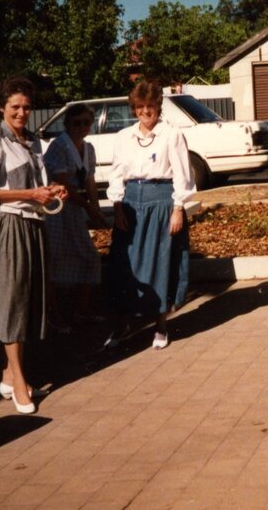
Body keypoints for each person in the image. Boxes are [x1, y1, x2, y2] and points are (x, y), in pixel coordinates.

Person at [0, 77, 68, 414]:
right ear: (2, 109)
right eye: (15, 107)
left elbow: (37, 185)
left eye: (26, 107)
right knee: (12, 302)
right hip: (8, 226)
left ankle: (10, 376)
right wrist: (28, 194)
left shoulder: (34, 142)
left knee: (25, 301)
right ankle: (20, 382)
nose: (22, 112)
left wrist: (52, 190)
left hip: (34, 226)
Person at [106, 81, 194, 351]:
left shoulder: (172, 134)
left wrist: (177, 208)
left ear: (159, 107)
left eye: (151, 106)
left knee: (161, 263)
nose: (146, 112)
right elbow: (117, 173)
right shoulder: (124, 136)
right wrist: (118, 206)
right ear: (134, 108)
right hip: (131, 204)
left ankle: (161, 326)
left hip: (161, 203)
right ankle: (121, 326)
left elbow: (182, 174)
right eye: (141, 107)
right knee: (124, 266)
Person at [43, 104, 106, 328]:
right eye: (76, 123)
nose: (81, 127)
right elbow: (64, 184)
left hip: (77, 209)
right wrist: (88, 208)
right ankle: (53, 315)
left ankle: (81, 310)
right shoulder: (59, 146)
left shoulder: (88, 148)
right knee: (53, 261)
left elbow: (89, 181)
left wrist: (96, 209)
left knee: (90, 258)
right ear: (67, 124)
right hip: (58, 209)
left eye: (86, 123)